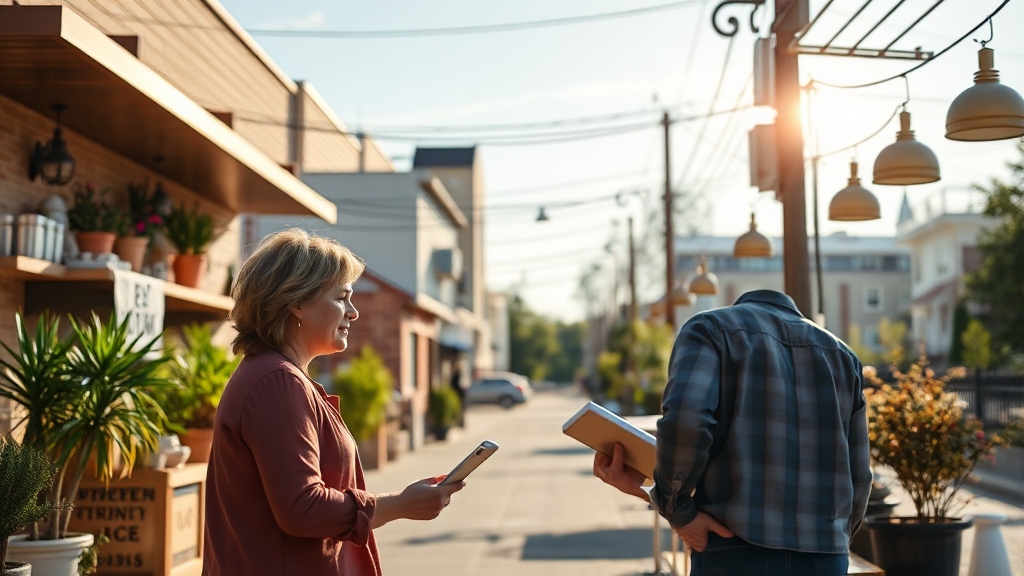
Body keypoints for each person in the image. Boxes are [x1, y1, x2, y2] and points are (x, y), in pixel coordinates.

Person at [203, 229, 465, 576]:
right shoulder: (276, 381)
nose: (353, 312)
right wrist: (401, 505)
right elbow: (303, 508)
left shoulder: (273, 375)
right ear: (296, 301)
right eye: (342, 297)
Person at [594, 290, 870, 576]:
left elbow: (687, 421)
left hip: (733, 548)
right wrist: (835, 541)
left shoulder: (709, 329)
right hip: (825, 557)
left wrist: (676, 509)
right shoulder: (843, 356)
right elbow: (860, 475)